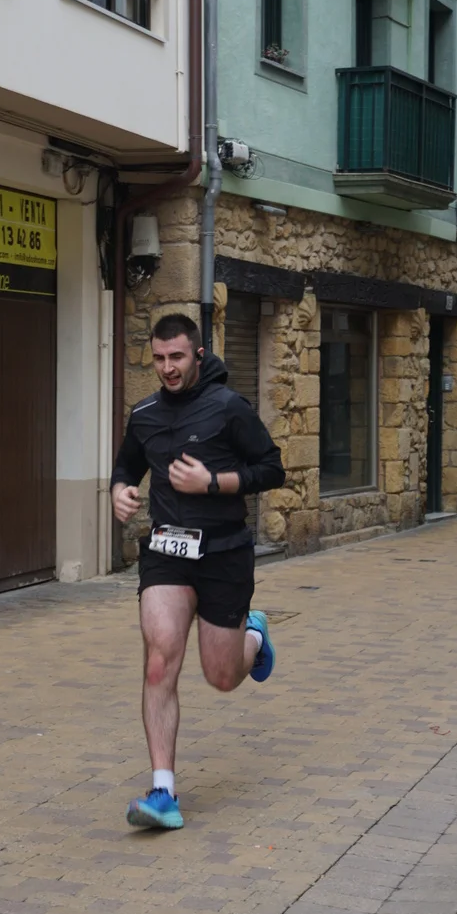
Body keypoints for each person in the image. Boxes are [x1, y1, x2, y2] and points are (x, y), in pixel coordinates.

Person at [111, 314, 286, 831]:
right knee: (158, 662)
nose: (167, 367)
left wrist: (212, 482)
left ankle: (254, 634)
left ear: (198, 355)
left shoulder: (229, 407)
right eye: (159, 358)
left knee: (222, 676)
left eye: (177, 357)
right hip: (166, 551)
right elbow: (127, 466)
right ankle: (163, 792)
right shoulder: (144, 414)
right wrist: (120, 491)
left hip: (224, 554)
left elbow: (272, 469)